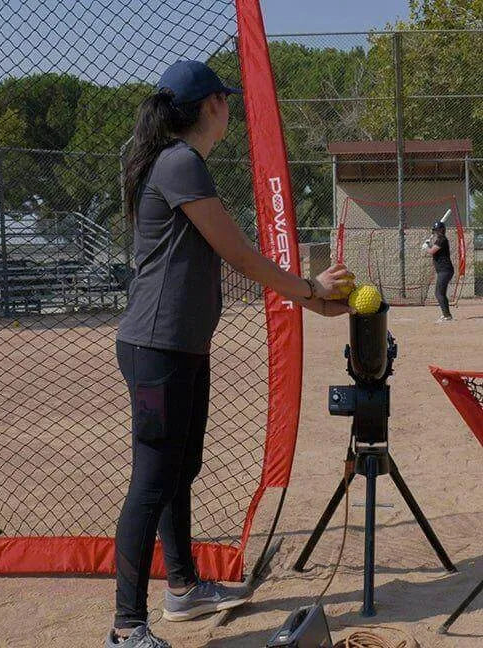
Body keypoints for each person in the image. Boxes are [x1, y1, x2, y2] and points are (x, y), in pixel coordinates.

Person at [106, 60, 355, 648]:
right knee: (152, 479)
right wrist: (312, 292)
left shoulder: (178, 162)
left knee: (178, 470)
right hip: (156, 346)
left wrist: (312, 301)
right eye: (227, 100)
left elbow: (229, 258)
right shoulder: (180, 161)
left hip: (180, 346)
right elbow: (239, 253)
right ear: (211, 106)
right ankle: (125, 627)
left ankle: (184, 588)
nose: (232, 111)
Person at [423, 221, 454, 322]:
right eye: (435, 230)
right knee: (440, 293)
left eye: (438, 230)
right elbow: (433, 248)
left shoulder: (442, 240)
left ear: (442, 230)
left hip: (445, 270)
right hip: (443, 270)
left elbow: (432, 251)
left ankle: (447, 316)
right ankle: (447, 315)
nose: (436, 232)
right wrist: (428, 244)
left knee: (439, 293)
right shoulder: (440, 240)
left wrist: (426, 247)